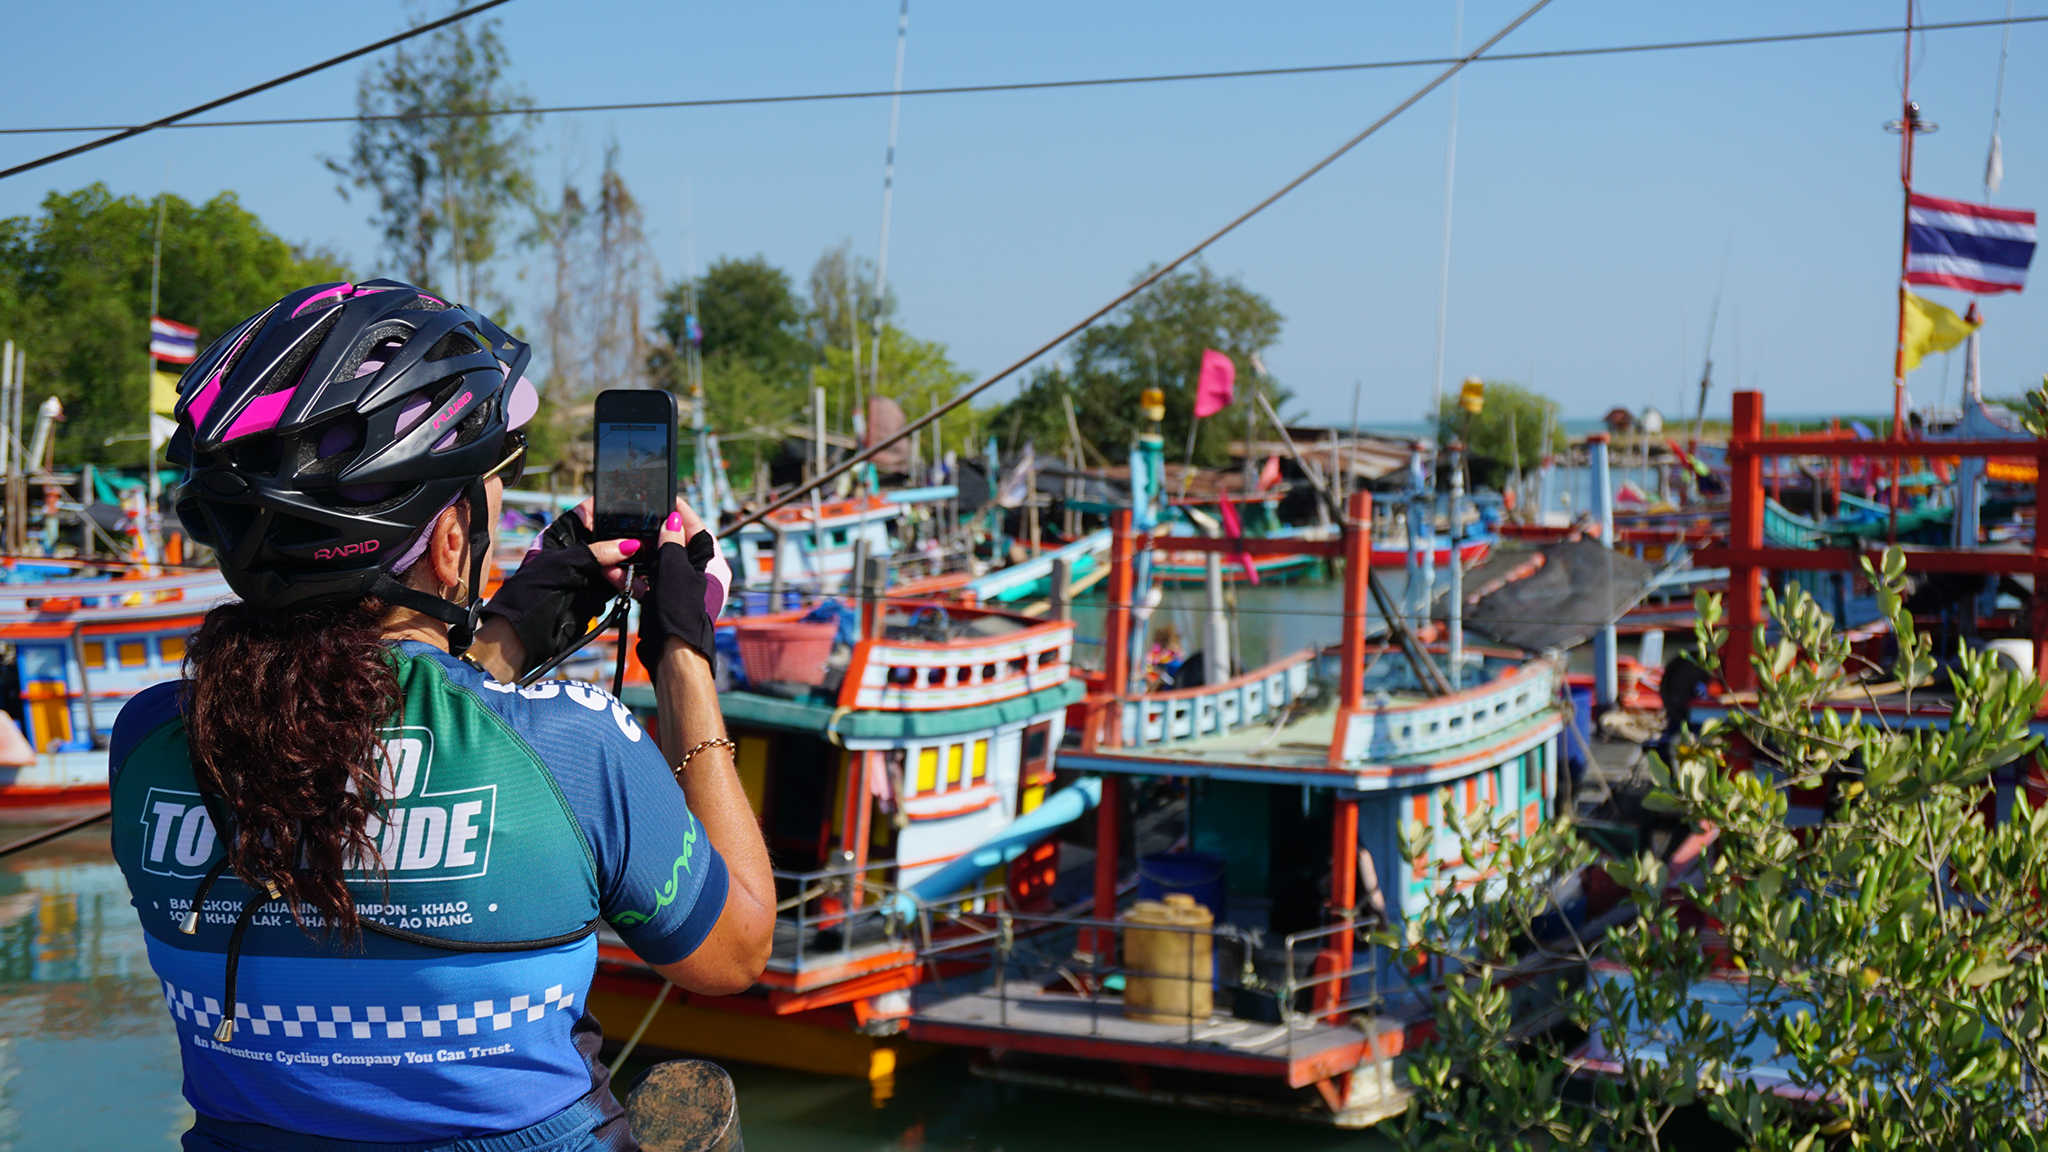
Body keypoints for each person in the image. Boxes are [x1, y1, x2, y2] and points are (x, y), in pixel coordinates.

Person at [109, 281, 774, 1151]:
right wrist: (683, 651)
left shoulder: (151, 742)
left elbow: (363, 736)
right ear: (453, 540)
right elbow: (734, 954)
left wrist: (505, 632)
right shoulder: (579, 748)